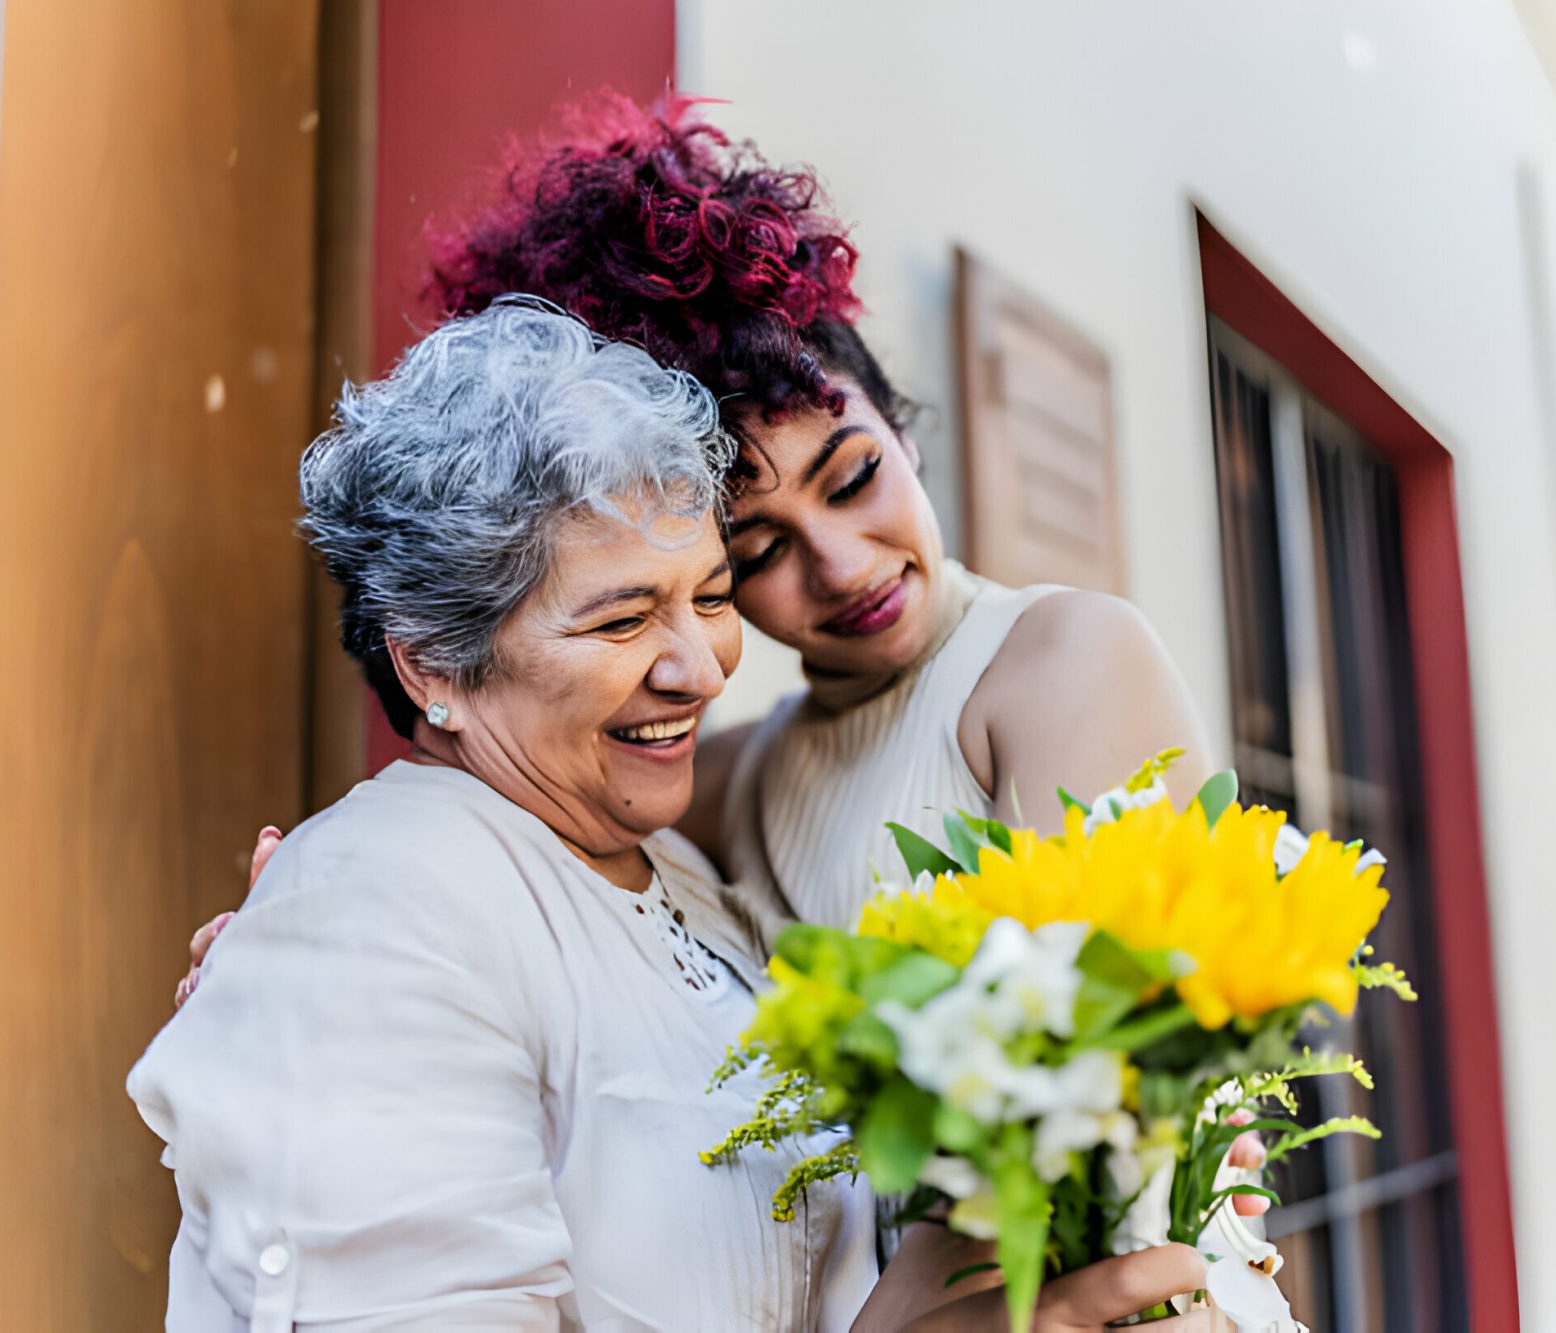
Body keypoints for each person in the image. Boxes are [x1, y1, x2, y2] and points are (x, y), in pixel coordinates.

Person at [131, 300, 1224, 1331]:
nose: (698, 669)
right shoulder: (369, 914)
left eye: (709, 594)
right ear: (434, 668)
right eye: (621, 621)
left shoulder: (690, 877)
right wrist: (308, 957)